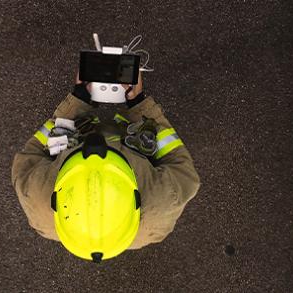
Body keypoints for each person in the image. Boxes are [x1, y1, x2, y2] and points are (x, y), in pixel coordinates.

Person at [10, 71, 200, 263]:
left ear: (55, 197)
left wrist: (77, 101)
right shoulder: (162, 202)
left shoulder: (37, 197)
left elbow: (30, 156)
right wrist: (139, 105)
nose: (96, 143)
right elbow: (181, 166)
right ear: (136, 197)